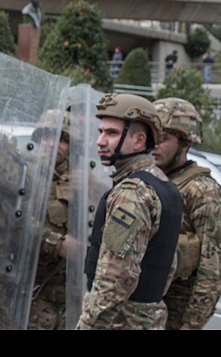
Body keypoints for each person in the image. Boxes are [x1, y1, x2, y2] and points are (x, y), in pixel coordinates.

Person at [77, 93, 182, 330]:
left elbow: (114, 280)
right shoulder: (163, 185)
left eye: (111, 133)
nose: (100, 141)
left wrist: (87, 325)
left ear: (139, 141)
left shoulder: (131, 193)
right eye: (101, 132)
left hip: (121, 321)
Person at [152, 98, 221, 330]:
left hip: (176, 314)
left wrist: (191, 325)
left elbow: (212, 270)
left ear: (185, 144)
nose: (154, 145)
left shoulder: (202, 190)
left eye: (163, 139)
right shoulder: (147, 181)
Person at [29, 111, 71, 330]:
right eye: (46, 136)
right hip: (31, 290)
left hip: (68, 296)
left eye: (63, 139)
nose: (53, 144)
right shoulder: (22, 173)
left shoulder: (83, 181)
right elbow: (13, 223)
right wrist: (56, 243)